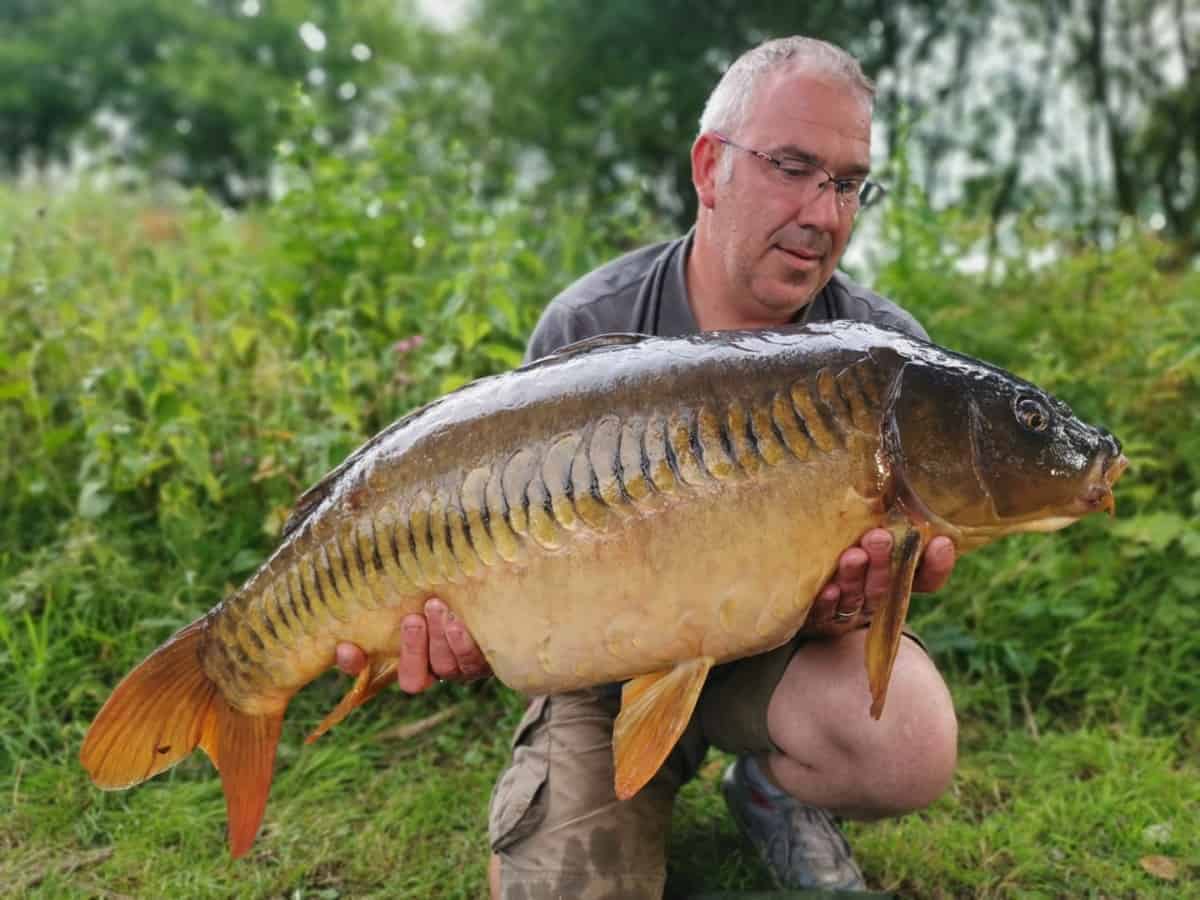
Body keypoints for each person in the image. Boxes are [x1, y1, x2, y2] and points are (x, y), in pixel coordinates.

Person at [337, 35, 959, 898]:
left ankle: (775, 792)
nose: (824, 213)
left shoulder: (890, 363)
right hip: (604, 670)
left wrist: (858, 598)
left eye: (847, 183)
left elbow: (901, 570)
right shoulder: (588, 328)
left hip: (783, 659)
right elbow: (513, 554)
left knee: (909, 744)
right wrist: (470, 629)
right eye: (791, 166)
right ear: (710, 168)